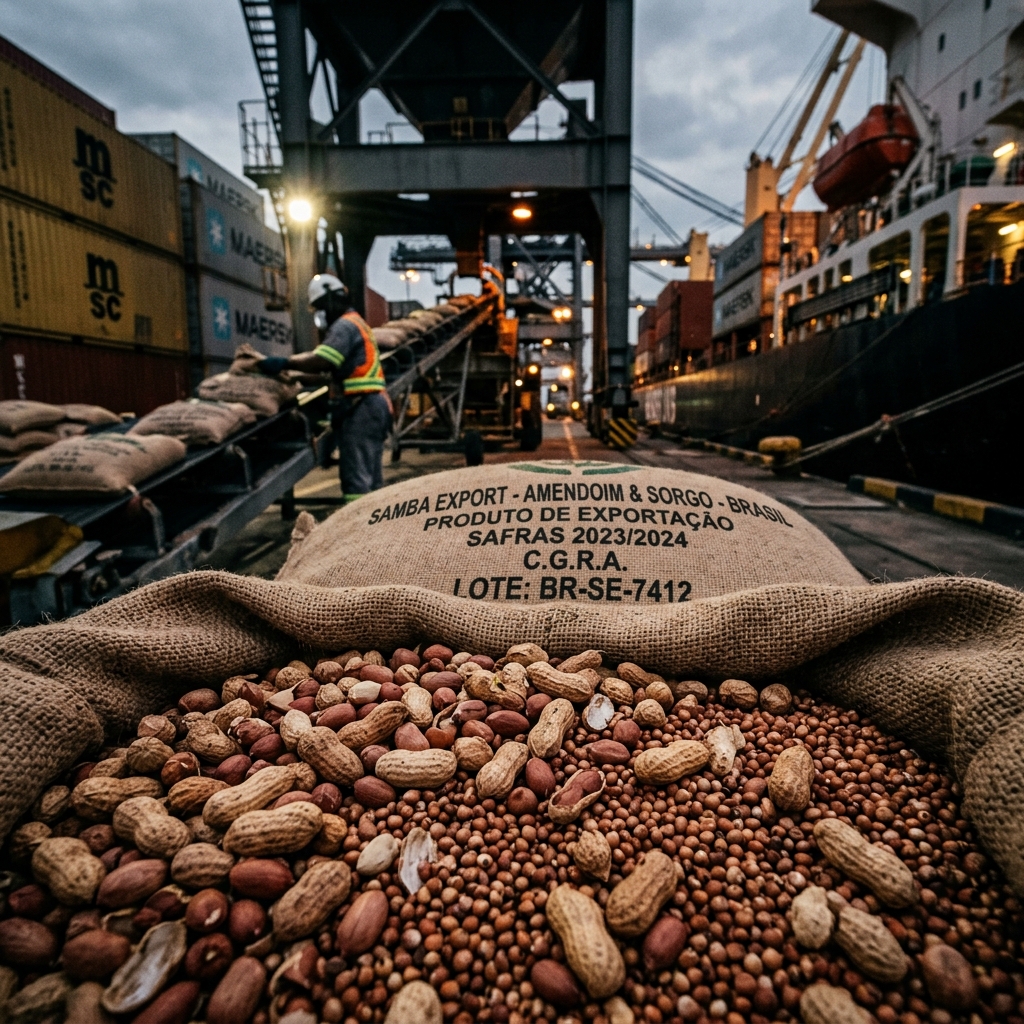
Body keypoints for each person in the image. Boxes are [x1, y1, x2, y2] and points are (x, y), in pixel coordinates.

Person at [252, 274, 391, 502]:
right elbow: (332, 373)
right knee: (371, 477)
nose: (321, 314)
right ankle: (376, 526)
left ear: (330, 301)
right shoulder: (357, 323)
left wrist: (286, 362)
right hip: (371, 406)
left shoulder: (344, 326)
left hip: (361, 408)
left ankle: (359, 531)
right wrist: (298, 377)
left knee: (356, 480)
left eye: (320, 307)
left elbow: (323, 360)